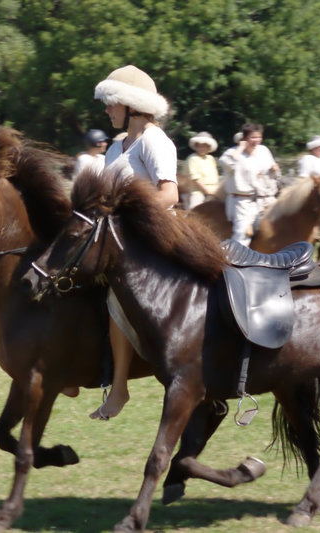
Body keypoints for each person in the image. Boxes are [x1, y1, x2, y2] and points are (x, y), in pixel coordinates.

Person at [92, 64, 178, 420]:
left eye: (112, 103)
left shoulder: (155, 141)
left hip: (153, 239)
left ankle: (120, 388)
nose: (107, 110)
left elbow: (170, 194)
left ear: (131, 106)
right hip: (118, 239)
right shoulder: (115, 148)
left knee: (116, 294)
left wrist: (129, 217)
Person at [218, 123, 280, 246]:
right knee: (242, 235)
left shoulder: (264, 150)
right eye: (253, 137)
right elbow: (225, 163)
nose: (256, 140)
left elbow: (272, 170)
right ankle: (235, 261)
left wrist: (274, 169)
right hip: (242, 201)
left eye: (258, 137)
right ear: (244, 138)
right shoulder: (232, 153)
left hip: (265, 198)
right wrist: (240, 149)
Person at [186, 131, 220, 208]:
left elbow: (215, 176)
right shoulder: (192, 158)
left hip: (214, 190)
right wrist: (208, 192)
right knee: (195, 207)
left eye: (204, 146)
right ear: (196, 147)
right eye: (199, 146)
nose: (202, 148)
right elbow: (195, 179)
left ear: (208, 147)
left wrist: (216, 191)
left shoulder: (211, 158)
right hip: (198, 190)